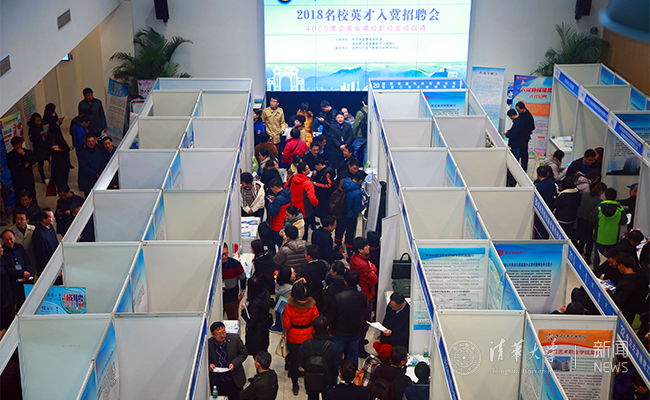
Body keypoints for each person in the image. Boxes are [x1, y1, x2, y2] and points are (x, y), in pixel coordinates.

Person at [283, 282, 319, 396]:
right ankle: (308, 387)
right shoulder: (312, 306)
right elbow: (316, 322)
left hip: (293, 338)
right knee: (308, 363)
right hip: (308, 338)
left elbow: (286, 325)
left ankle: (295, 386)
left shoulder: (289, 306)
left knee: (294, 363)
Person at [327, 269, 367, 367]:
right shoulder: (363, 297)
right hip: (355, 331)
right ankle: (351, 374)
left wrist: (330, 329)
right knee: (353, 356)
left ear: (345, 281)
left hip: (339, 331)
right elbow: (363, 313)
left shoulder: (338, 297)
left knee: (337, 357)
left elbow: (332, 315)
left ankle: (336, 374)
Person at [298, 316, 343, 400]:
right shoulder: (333, 346)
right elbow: (337, 366)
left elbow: (301, 362)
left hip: (311, 379)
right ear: (327, 328)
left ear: (314, 328)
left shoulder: (306, 344)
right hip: (328, 380)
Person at [349, 237, 378, 358]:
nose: (368, 247)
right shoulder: (362, 264)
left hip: (364, 293)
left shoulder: (356, 258)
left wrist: (371, 268)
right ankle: (359, 347)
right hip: (366, 296)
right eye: (366, 246)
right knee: (364, 323)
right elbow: (374, 279)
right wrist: (372, 269)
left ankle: (360, 341)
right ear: (360, 250)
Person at [208, 321, 249, 400]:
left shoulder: (234, 339)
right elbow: (205, 359)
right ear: (212, 334)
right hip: (218, 382)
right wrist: (210, 365)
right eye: (219, 334)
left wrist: (234, 364)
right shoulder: (208, 344)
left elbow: (244, 353)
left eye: (223, 332)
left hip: (234, 380)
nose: (222, 335)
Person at [335, 170, 367, 255]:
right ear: (361, 180)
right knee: (349, 236)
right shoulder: (357, 193)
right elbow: (357, 208)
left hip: (341, 213)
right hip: (351, 217)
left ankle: (336, 250)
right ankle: (349, 254)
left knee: (339, 232)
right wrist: (363, 205)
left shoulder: (345, 182)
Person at [609, 254, 648, 324]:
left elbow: (619, 301)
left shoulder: (628, 283)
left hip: (626, 317)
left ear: (621, 265)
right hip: (636, 312)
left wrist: (608, 292)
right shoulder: (639, 278)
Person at [575, 182, 606, 264]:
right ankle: (587, 258)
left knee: (581, 240)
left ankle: (577, 255)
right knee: (590, 242)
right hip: (591, 223)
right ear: (601, 191)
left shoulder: (584, 195)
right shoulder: (599, 201)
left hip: (581, 220)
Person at [1, 229, 33, 310]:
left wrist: (27, 272)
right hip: (14, 282)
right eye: (6, 239)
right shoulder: (2, 251)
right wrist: (22, 274)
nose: (9, 241)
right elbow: (7, 269)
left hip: (27, 278)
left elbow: (27, 260)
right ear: (3, 240)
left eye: (11, 238)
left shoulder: (19, 247)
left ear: (14, 237)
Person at [242, 277, 273, 358]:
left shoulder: (254, 303)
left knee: (257, 354)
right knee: (263, 351)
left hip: (256, 333)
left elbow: (251, 322)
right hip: (264, 328)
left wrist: (244, 311)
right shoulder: (265, 293)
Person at [590, 188, 625, 256]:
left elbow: (591, 218)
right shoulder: (620, 210)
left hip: (599, 238)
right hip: (613, 239)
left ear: (605, 197)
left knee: (598, 257)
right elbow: (624, 222)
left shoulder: (599, 208)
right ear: (615, 198)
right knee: (612, 257)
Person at [6, 137, 37, 201]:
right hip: (17, 180)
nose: (18, 146)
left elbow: (33, 161)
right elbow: (11, 167)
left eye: (19, 144)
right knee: (18, 197)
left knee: (32, 196)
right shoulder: (9, 155)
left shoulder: (28, 152)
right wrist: (23, 166)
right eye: (16, 145)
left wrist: (24, 154)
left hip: (28, 179)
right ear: (12, 145)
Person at [221, 243, 247, 320]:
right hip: (217, 300)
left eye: (226, 254)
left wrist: (241, 294)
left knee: (233, 320)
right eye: (222, 254)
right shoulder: (214, 265)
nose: (224, 256)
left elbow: (243, 278)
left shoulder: (235, 264)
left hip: (232, 298)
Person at [301, 245, 329, 314]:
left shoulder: (305, 270)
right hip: (322, 296)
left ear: (309, 257)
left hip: (311, 297)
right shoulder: (323, 264)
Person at [31, 209, 58, 277]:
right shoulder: (39, 234)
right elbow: (41, 256)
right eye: (51, 217)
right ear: (44, 219)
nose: (53, 218)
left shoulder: (50, 227)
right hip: (48, 268)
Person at [266, 179, 291, 251]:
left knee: (273, 242)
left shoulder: (278, 199)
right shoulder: (288, 193)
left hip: (277, 225)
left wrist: (270, 204)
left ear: (275, 187)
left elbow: (273, 212)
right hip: (285, 223)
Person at [27, 113, 51, 184]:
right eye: (37, 121)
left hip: (46, 146)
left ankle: (52, 174)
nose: (39, 122)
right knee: (40, 163)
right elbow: (32, 139)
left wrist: (46, 134)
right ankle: (43, 177)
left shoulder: (44, 125)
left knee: (50, 160)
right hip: (38, 148)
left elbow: (50, 134)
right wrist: (39, 135)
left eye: (40, 120)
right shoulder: (32, 129)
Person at [271, 266, 296, 333]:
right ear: (287, 276)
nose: (295, 274)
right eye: (293, 273)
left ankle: (278, 325)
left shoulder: (278, 285)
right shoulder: (291, 290)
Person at [514, 101, 535, 172]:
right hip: (521, 136)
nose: (518, 111)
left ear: (522, 108)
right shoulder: (522, 114)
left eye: (518, 110)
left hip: (524, 137)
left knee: (524, 153)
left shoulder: (528, 117)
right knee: (521, 152)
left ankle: (524, 168)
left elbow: (532, 127)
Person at [352, 96, 368, 165]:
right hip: (370, 135)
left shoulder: (360, 112)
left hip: (361, 135)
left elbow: (356, 125)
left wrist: (354, 134)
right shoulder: (373, 111)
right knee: (366, 152)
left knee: (352, 150)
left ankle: (352, 165)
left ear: (363, 102)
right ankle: (366, 168)